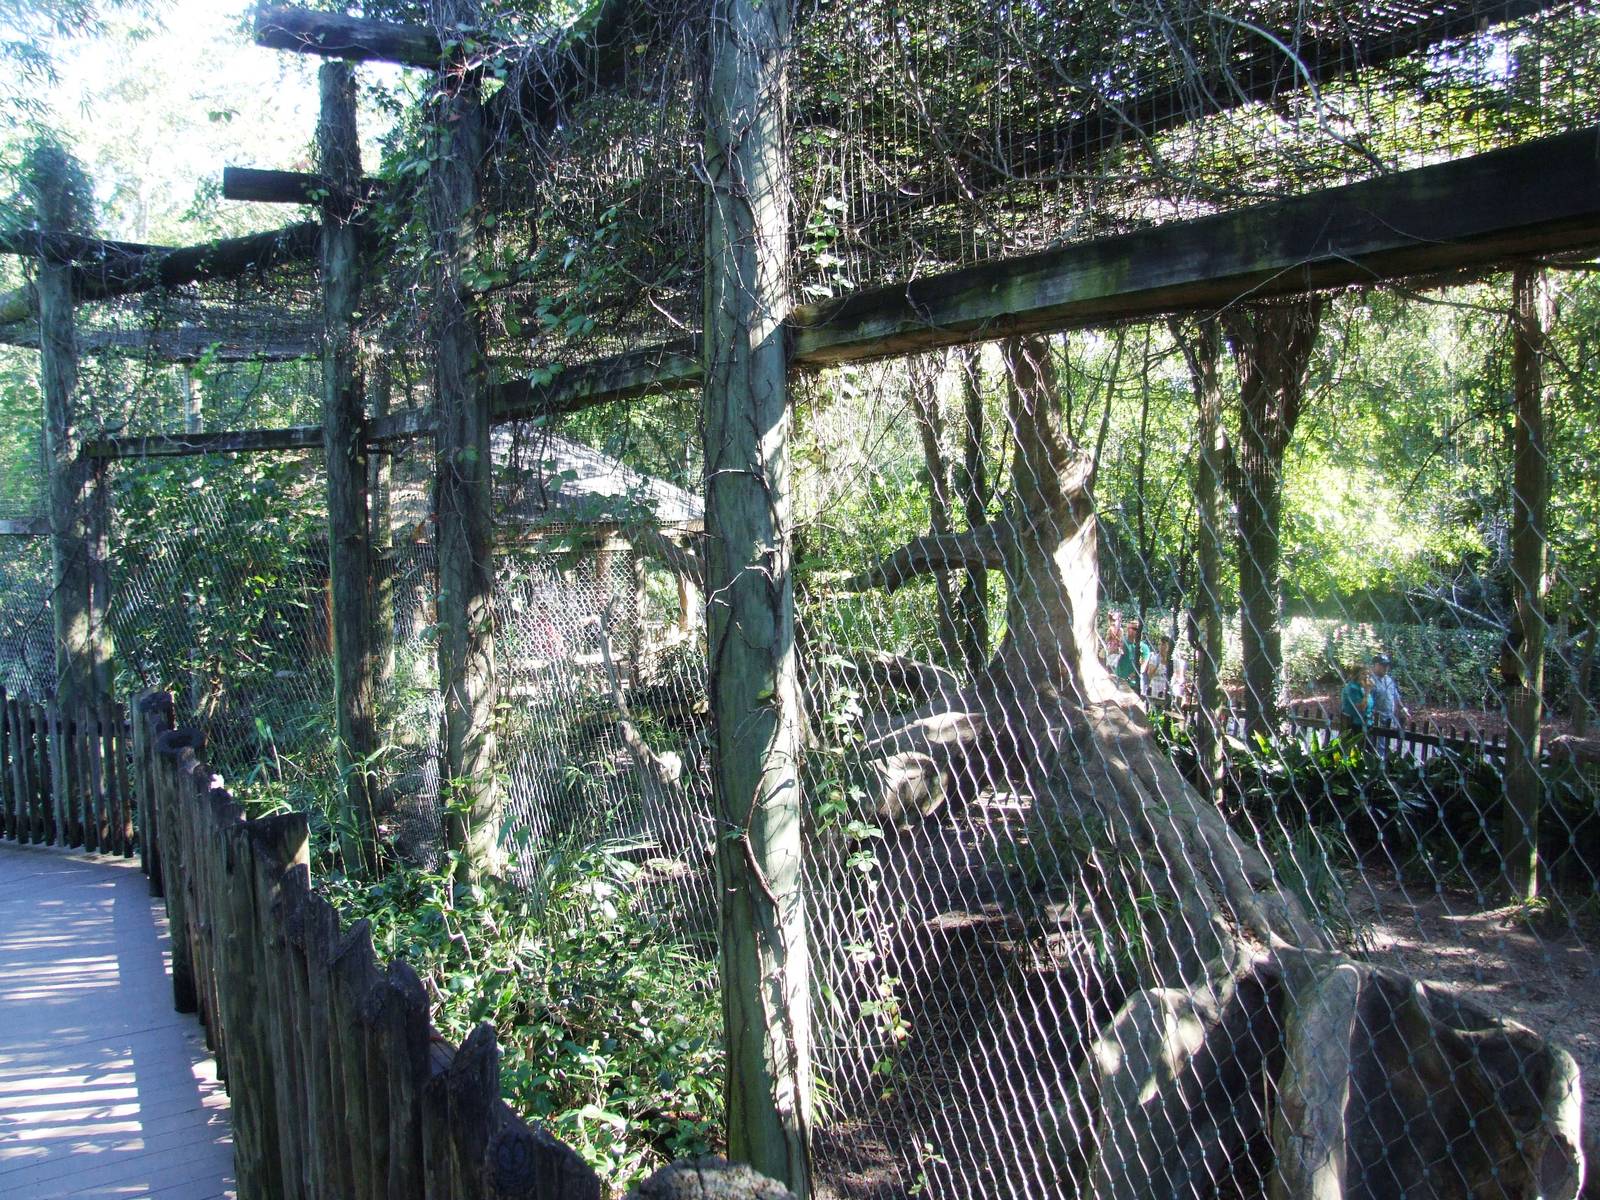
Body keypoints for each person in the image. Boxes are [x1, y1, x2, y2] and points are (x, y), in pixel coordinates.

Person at [1369, 652, 1408, 731]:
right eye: (1383, 665)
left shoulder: (1389, 679)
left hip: (1390, 720)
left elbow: (1396, 696)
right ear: (1375, 665)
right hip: (1375, 721)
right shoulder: (1369, 681)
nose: (1386, 668)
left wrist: (1403, 709)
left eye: (1387, 665)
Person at [1146, 633, 1184, 706]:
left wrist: (1174, 678)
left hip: (1168, 692)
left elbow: (1180, 679)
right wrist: (1158, 663)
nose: (1161, 647)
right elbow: (1149, 675)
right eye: (1159, 644)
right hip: (1154, 691)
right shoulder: (1154, 658)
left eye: (1164, 644)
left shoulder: (1175, 661)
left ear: (1169, 646)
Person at [1115, 619, 1153, 692]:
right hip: (1118, 681)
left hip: (1134, 684)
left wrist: (1131, 676)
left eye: (1135, 629)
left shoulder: (1144, 647)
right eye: (1130, 628)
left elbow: (1143, 666)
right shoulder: (1121, 642)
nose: (1132, 630)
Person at [1340, 663, 1373, 734]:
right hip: (1355, 726)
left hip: (1367, 724)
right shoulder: (1352, 688)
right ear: (1356, 675)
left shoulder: (1363, 687)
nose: (1366, 676)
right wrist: (1367, 692)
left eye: (1368, 674)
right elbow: (1361, 708)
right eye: (1363, 674)